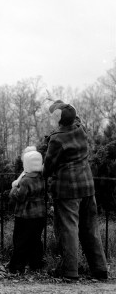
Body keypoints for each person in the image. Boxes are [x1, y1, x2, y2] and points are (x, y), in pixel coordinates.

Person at [43, 102, 108, 281]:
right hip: (87, 186)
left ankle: (70, 272)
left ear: (59, 119)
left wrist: (42, 173)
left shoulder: (57, 138)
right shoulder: (80, 128)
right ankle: (100, 269)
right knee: (90, 228)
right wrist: (58, 103)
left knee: (69, 229)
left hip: (67, 189)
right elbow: (73, 115)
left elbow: (48, 166)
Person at [8, 149, 46, 274]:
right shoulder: (42, 178)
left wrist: (13, 189)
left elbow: (20, 197)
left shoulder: (25, 180)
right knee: (36, 240)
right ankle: (36, 264)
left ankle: (17, 266)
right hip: (40, 214)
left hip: (25, 215)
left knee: (21, 240)